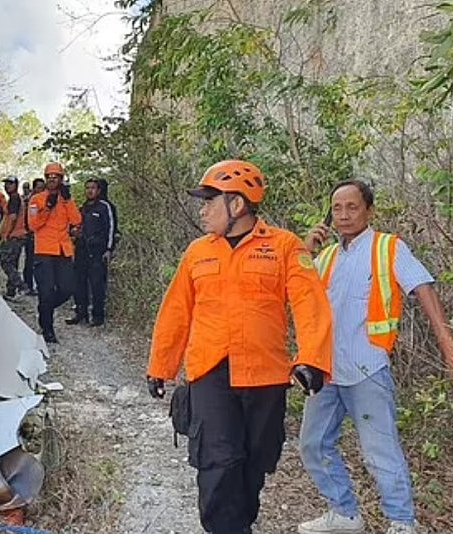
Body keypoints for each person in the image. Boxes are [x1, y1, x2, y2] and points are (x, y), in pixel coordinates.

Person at [146, 159, 333, 534]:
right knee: (218, 462)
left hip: (264, 373)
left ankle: (239, 525)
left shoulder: (284, 247)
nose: (203, 209)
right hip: (210, 371)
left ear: (238, 204)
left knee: (253, 462)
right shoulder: (198, 252)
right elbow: (176, 311)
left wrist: (312, 360)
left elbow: (310, 305)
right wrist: (160, 366)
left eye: (210, 201)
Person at [296, 180, 453, 534]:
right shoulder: (325, 257)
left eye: (352, 207)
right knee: (312, 444)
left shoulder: (387, 247)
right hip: (326, 371)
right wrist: (303, 253)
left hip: (367, 368)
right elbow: (296, 296)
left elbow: (422, 287)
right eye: (337, 208)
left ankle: (402, 522)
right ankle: (344, 513)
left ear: (369, 211)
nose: (343, 215)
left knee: (380, 452)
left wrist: (446, 342)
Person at [28, 162, 82, 343]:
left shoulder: (65, 199)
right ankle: (48, 329)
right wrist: (47, 209)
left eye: (56, 177)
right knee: (46, 290)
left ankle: (45, 308)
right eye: (49, 177)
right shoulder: (36, 199)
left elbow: (76, 220)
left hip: (63, 250)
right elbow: (33, 225)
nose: (52, 180)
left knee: (68, 288)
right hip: (44, 251)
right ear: (45, 179)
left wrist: (67, 201)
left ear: (61, 179)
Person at [67, 179, 116, 326]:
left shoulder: (105, 207)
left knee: (97, 285)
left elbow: (111, 229)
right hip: (81, 250)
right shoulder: (82, 209)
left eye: (93, 188)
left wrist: (108, 249)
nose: (90, 191)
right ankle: (81, 314)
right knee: (78, 284)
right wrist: (74, 233)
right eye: (87, 188)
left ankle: (98, 316)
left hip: (97, 252)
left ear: (99, 190)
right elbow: (73, 227)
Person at [0, 175, 28, 299]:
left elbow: (12, 218)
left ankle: (21, 286)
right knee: (13, 263)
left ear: (16, 185)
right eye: (6, 183)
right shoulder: (15, 198)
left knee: (6, 262)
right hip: (18, 235)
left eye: (10, 183)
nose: (7, 186)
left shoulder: (14, 198)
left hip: (14, 236)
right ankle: (11, 291)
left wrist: (6, 234)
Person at [21, 177, 45, 296]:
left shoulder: (47, 200)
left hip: (43, 237)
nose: (40, 190)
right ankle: (28, 285)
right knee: (30, 261)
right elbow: (30, 219)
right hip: (31, 235)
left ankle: (40, 286)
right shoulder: (32, 201)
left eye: (42, 188)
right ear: (34, 188)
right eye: (38, 188)